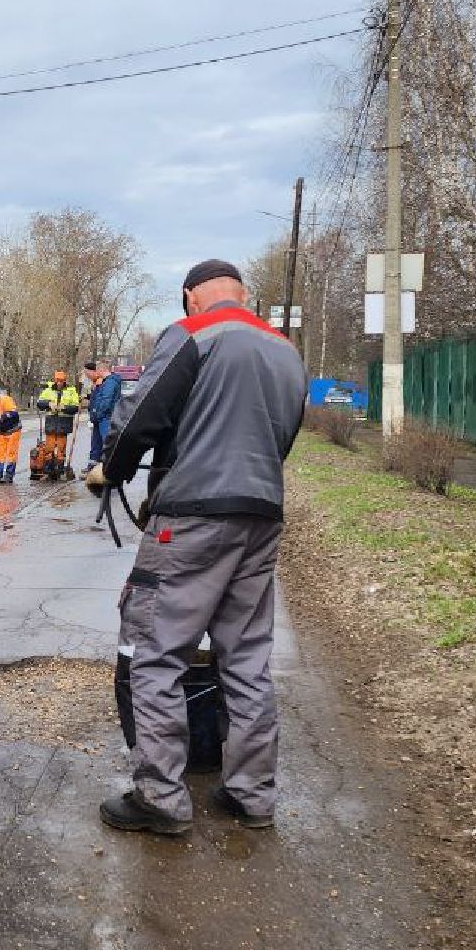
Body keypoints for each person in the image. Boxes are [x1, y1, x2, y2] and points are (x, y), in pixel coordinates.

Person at [85, 259, 306, 836]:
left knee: (157, 653)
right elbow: (283, 433)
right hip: (261, 514)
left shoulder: (190, 335)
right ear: (243, 294)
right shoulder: (285, 351)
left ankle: (161, 796)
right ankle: (253, 795)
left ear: (190, 297)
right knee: (248, 658)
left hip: (190, 519)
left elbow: (141, 416)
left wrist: (112, 468)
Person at [29, 370, 81, 480]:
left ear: (64, 381)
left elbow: (75, 408)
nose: (59, 383)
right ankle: (48, 470)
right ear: (54, 380)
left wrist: (63, 408)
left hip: (64, 423)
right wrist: (48, 404)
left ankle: (60, 470)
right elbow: (40, 403)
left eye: (61, 381)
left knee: (61, 449)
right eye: (57, 381)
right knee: (49, 448)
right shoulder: (48, 390)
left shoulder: (71, 391)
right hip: (51, 423)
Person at [84, 360, 123, 470]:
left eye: (97, 370)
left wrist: (97, 413)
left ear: (102, 370)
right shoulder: (105, 382)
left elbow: (106, 401)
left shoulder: (110, 383)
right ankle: (93, 466)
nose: (96, 372)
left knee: (106, 442)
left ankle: (109, 468)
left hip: (105, 417)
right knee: (96, 443)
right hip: (100, 418)